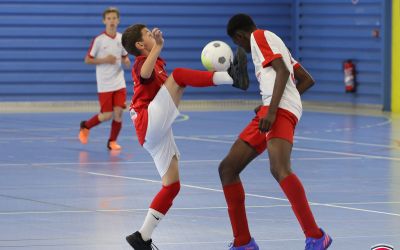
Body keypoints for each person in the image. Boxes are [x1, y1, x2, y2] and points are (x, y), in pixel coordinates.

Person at [121, 23, 249, 250]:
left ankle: (142, 236)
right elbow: (145, 74)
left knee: (172, 186)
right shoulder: (142, 63)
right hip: (148, 121)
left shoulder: (158, 63)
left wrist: (158, 50)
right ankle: (231, 77)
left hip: (154, 133)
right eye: (149, 35)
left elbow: (172, 87)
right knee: (179, 75)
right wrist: (158, 47)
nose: (154, 36)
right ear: (141, 45)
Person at [219, 14, 333, 250]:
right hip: (271, 109)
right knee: (227, 169)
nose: (240, 47)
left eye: (237, 42)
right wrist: (268, 107)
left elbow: (282, 72)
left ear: (239, 36)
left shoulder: (259, 37)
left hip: (277, 111)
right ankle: (243, 243)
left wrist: (272, 111)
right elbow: (306, 79)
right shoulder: (273, 42)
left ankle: (316, 236)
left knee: (279, 168)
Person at [79, 7, 131, 150]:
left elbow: (124, 55)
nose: (112, 21)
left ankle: (112, 141)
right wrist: (105, 60)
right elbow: (88, 60)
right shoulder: (99, 40)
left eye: (114, 18)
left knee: (119, 112)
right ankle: (86, 126)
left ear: (118, 20)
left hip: (119, 82)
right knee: (107, 115)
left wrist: (126, 61)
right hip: (105, 84)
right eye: (109, 19)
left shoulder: (122, 38)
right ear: (104, 21)